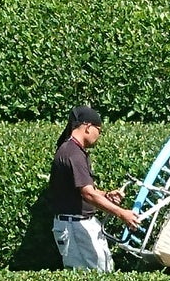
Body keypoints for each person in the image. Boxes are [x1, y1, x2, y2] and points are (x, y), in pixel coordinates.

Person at [49, 104, 140, 272]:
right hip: (75, 227)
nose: (99, 135)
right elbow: (88, 194)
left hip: (77, 225)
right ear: (88, 127)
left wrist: (106, 195)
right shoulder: (73, 154)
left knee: (103, 271)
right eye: (99, 130)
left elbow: (82, 189)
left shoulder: (71, 151)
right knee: (94, 276)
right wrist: (122, 213)